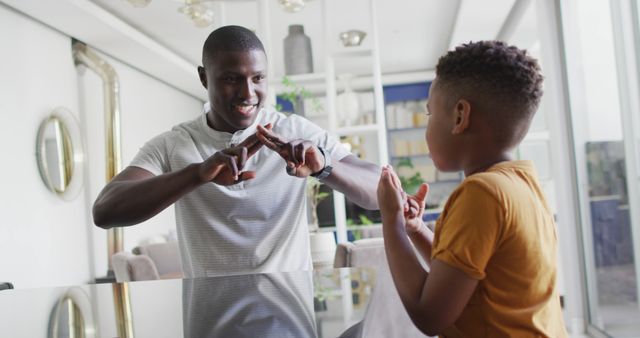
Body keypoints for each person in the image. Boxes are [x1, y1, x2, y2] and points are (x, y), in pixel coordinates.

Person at [93, 25, 380, 277]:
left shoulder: (295, 132)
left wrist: (324, 166)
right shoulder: (175, 143)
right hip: (209, 316)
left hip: (289, 311)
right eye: (231, 79)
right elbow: (105, 211)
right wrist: (197, 174)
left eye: (258, 78)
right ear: (204, 78)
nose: (247, 93)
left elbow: (379, 191)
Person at [377, 41, 568, 337]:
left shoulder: (481, 193)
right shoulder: (522, 182)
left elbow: (430, 315)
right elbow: (460, 274)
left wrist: (391, 221)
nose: (427, 127)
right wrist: (414, 229)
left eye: (430, 114)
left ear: (459, 117)